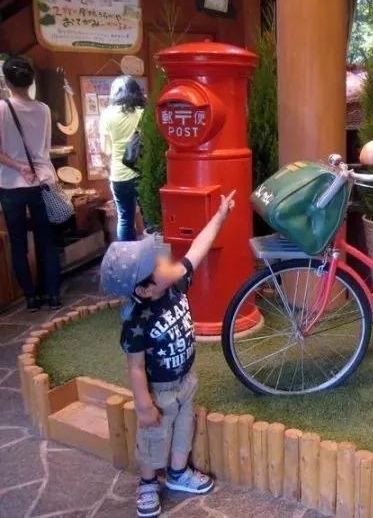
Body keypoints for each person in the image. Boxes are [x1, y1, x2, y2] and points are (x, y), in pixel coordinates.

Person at [100, 189, 236, 518]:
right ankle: (148, 483)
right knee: (153, 438)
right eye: (158, 264)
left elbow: (198, 249)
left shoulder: (175, 284)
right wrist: (143, 404)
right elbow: (135, 367)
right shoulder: (136, 319)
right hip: (159, 392)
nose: (167, 261)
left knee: (182, 433)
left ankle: (177, 473)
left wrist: (220, 217)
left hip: (186, 380)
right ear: (144, 289)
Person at [0, 56, 61, 311]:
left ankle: (31, 298)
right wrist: (32, 166)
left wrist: (19, 167)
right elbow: (45, 149)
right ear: (31, 81)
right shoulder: (44, 109)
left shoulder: (2, 109)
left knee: (18, 243)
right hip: (43, 179)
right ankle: (53, 295)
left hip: (11, 184)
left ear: (6, 81)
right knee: (47, 240)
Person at [100, 75, 145, 241]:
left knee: (125, 218)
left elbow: (105, 150)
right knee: (149, 218)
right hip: (142, 172)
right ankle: (154, 253)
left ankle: (127, 254)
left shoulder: (107, 114)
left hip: (119, 174)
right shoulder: (143, 112)